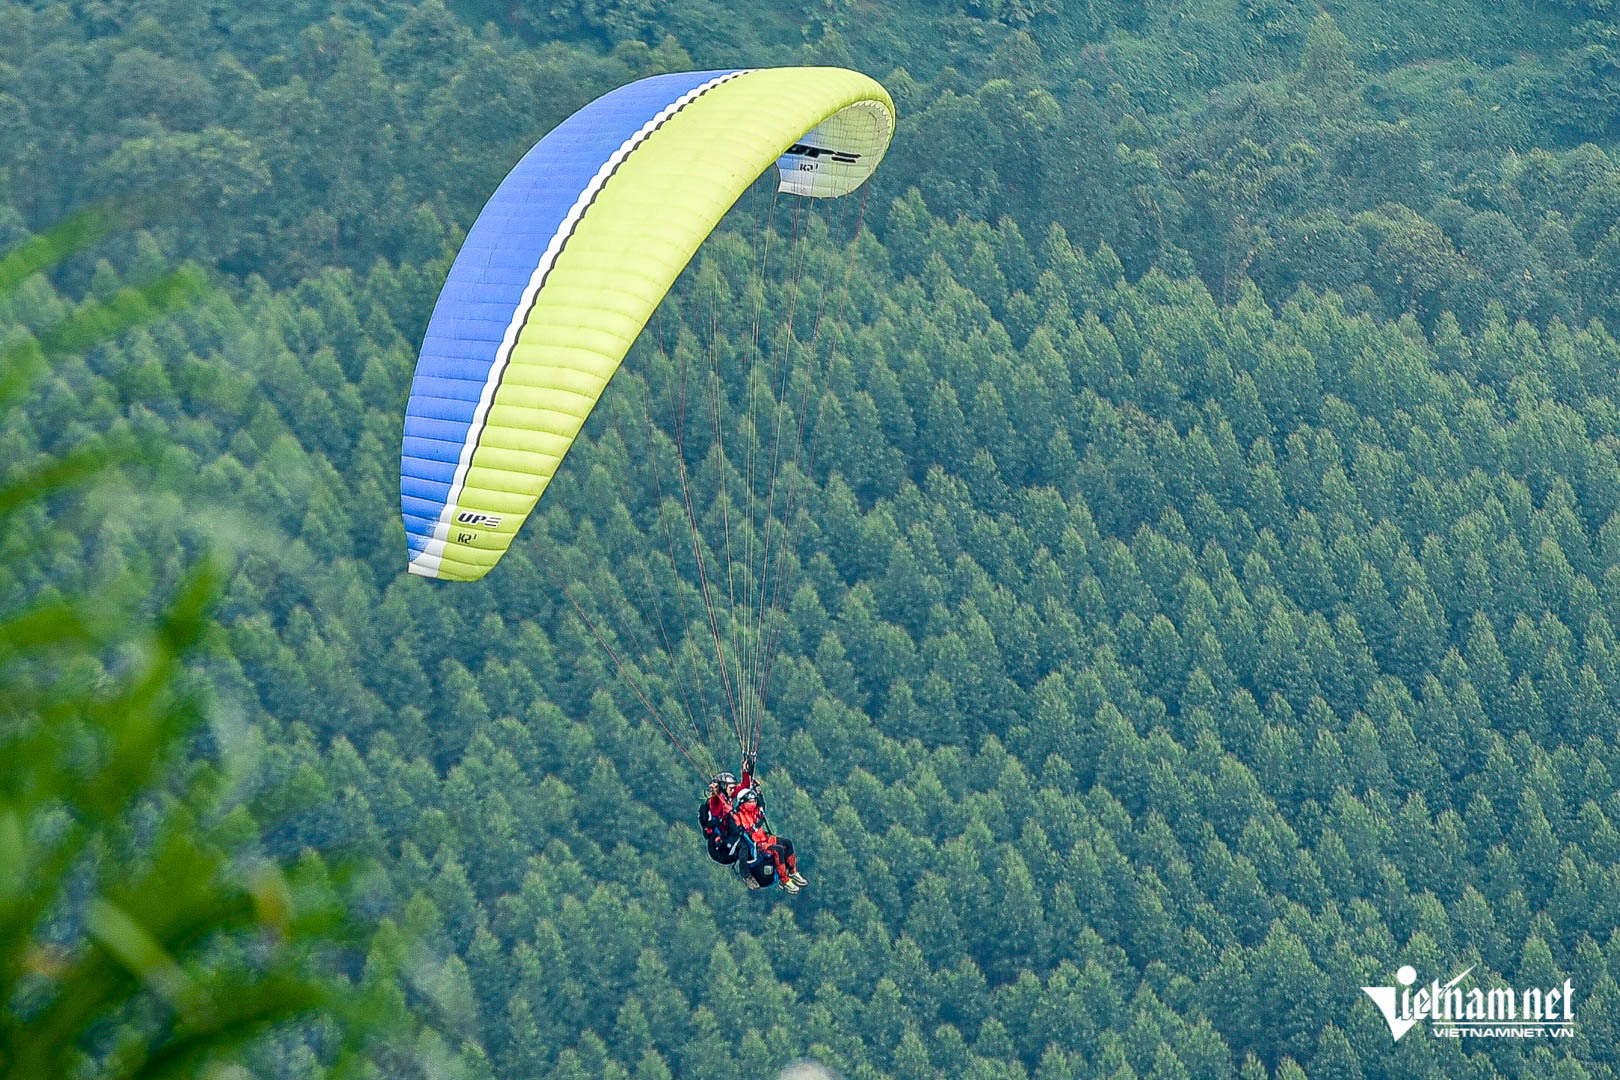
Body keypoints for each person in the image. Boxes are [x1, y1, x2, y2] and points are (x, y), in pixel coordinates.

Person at [731, 787, 806, 893]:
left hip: (765, 839)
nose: (753, 803)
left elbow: (761, 808)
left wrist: (759, 793)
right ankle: (784, 880)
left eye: (754, 801)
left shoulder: (754, 811)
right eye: (750, 801)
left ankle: (793, 872)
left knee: (787, 843)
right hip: (757, 845)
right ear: (743, 802)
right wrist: (755, 825)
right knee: (778, 850)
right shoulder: (738, 816)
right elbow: (742, 830)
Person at [698, 770, 743, 864]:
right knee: (732, 817)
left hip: (727, 838)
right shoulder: (716, 801)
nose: (733, 791)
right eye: (731, 788)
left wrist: (747, 770)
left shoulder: (728, 796)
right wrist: (716, 790)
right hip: (717, 846)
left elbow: (744, 786)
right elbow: (716, 799)